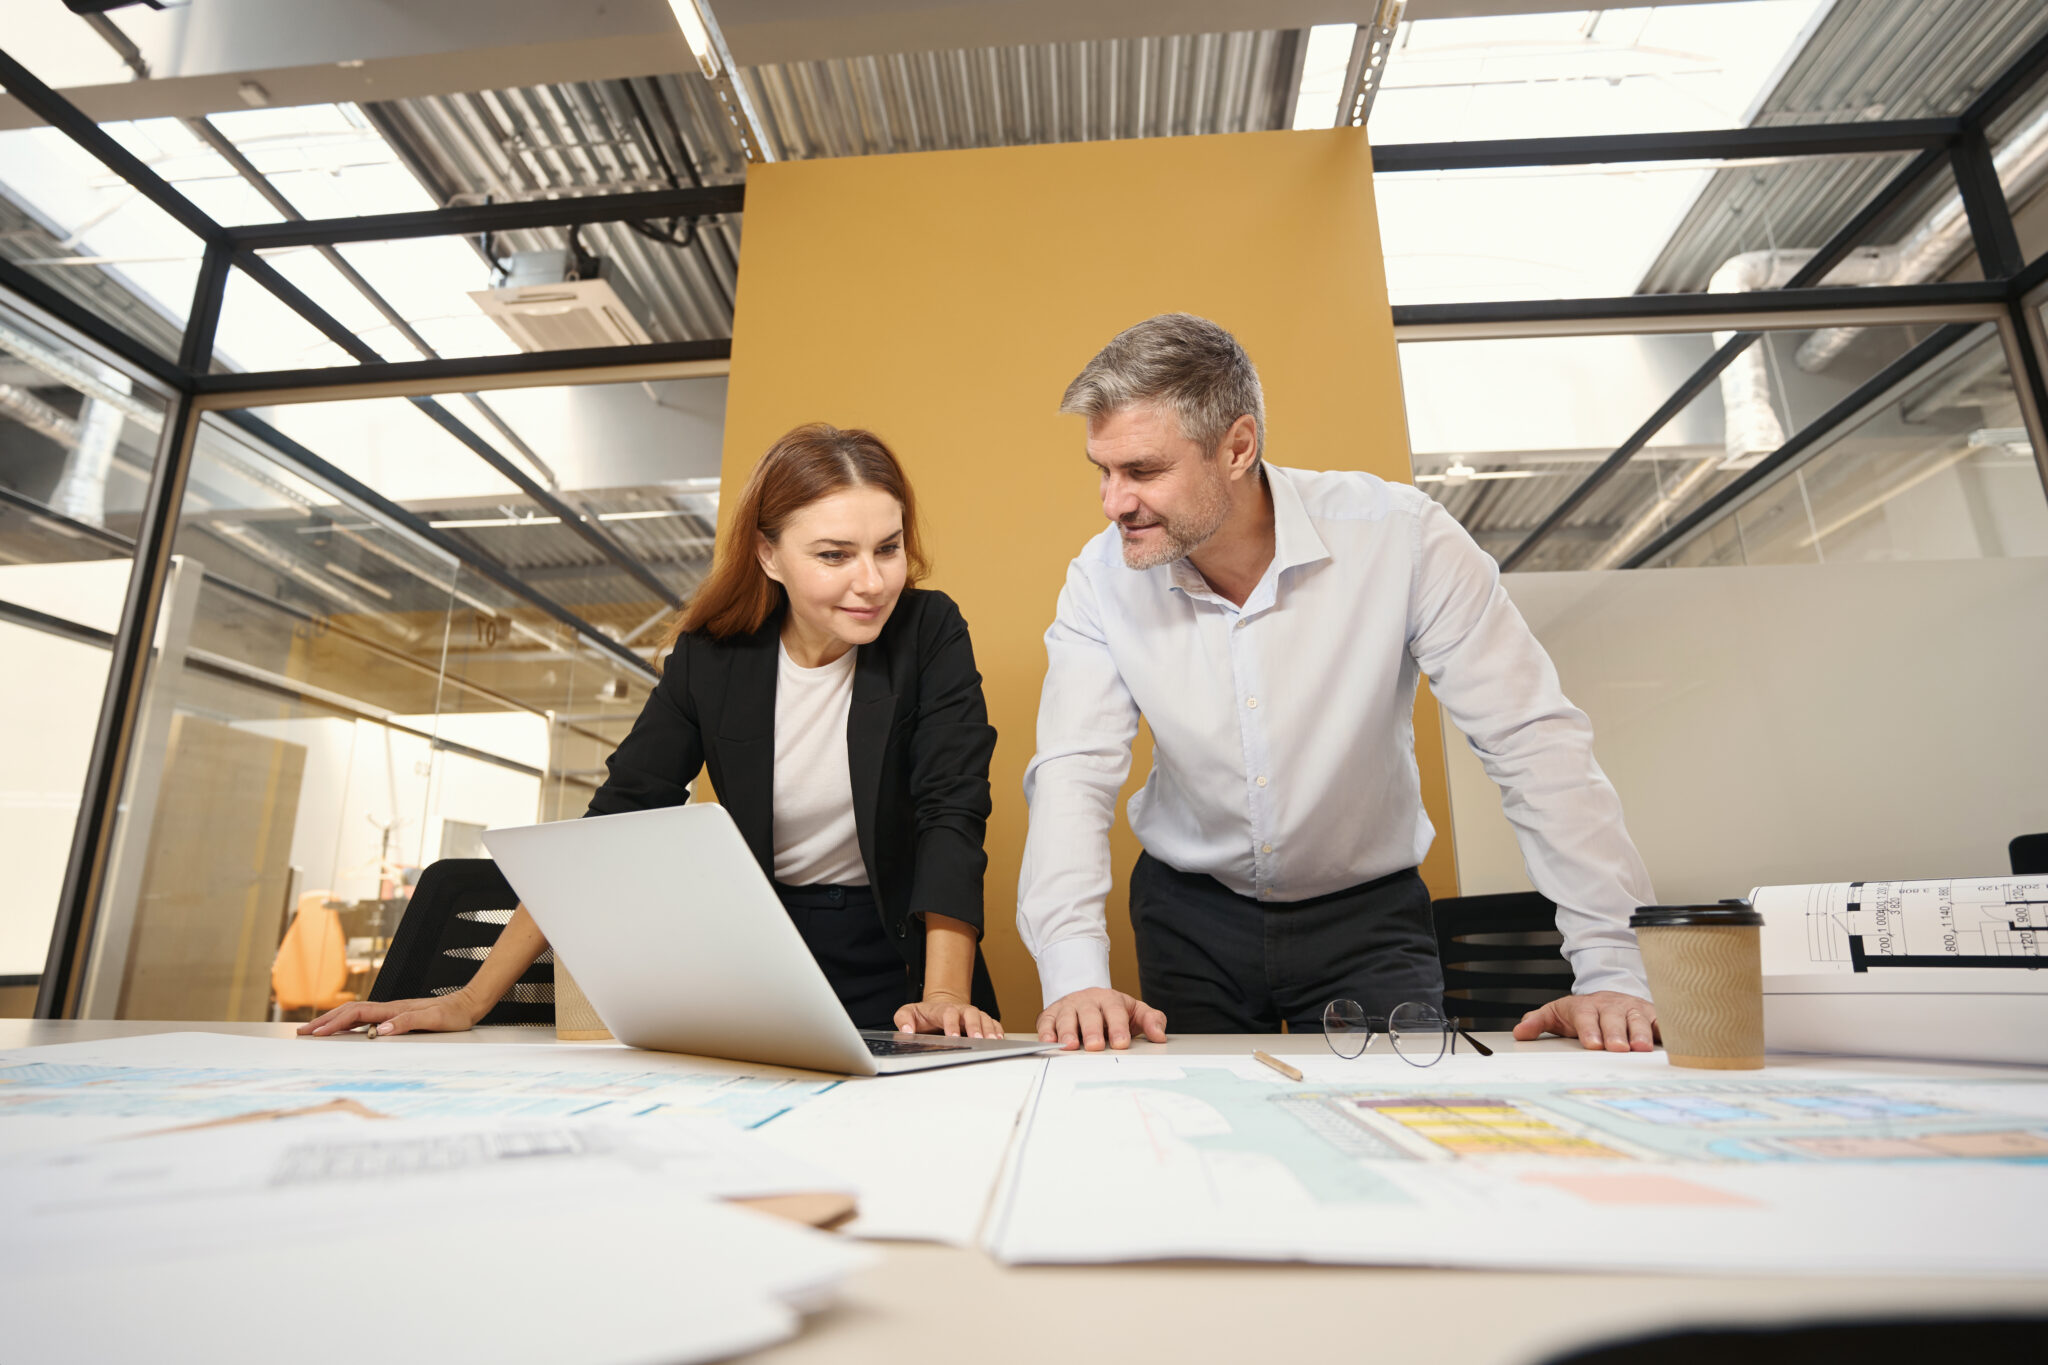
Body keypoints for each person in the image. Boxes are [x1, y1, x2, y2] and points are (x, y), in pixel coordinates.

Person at [1018, 313, 1659, 1053]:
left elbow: (1533, 743)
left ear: (1238, 447)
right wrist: (1073, 978)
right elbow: (1073, 772)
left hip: (1368, 918)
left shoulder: (1404, 538)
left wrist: (1615, 968)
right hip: (1188, 917)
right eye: (1102, 469)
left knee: (1402, 1127)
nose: (1112, 502)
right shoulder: (1100, 580)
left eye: (1143, 471)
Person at [304, 423, 1003, 1040]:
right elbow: (615, 819)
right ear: (768, 556)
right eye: (834, 555)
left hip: (905, 950)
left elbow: (950, 812)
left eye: (888, 547)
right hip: (764, 953)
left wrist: (942, 993)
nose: (873, 581)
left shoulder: (928, 630)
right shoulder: (713, 659)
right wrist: (472, 997)